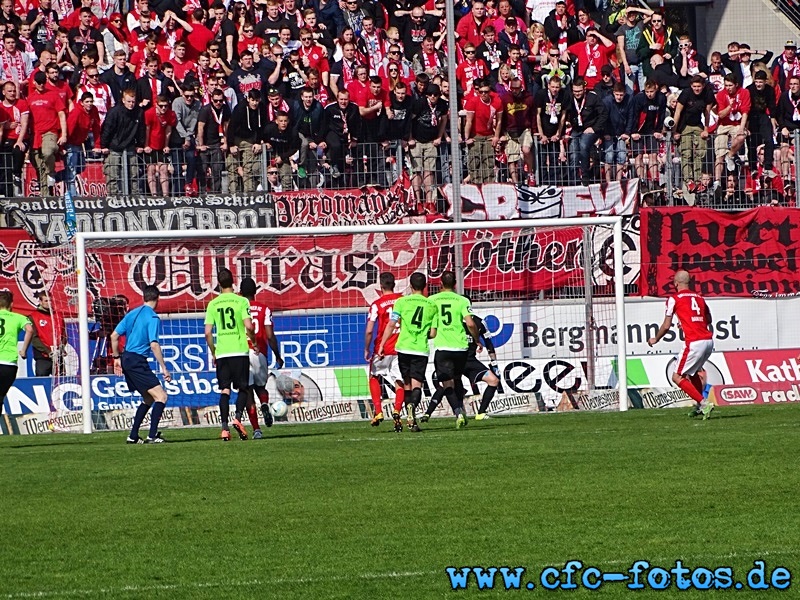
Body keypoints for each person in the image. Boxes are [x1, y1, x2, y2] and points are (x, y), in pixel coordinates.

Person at [647, 270, 714, 420]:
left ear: (675, 283)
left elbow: (666, 325)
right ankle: (699, 405)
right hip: (708, 341)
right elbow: (708, 319)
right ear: (689, 282)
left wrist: (655, 339)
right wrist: (688, 322)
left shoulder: (674, 298)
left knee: (677, 376)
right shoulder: (699, 298)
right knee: (693, 372)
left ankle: (704, 403)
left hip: (695, 342)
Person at [110, 285, 172, 444]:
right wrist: (164, 368)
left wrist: (117, 357)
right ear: (158, 298)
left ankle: (133, 436)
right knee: (162, 396)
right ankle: (152, 436)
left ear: (144, 297)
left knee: (148, 398)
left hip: (127, 359)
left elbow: (114, 336)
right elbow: (154, 345)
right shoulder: (152, 317)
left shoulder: (131, 314)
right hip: (137, 360)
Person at [376, 271, 436, 433]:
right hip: (420, 350)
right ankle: (412, 414)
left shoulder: (401, 302)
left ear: (410, 286)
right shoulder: (431, 305)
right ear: (424, 287)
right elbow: (433, 333)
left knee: (407, 384)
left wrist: (382, 344)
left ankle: (411, 417)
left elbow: (391, 324)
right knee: (417, 385)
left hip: (403, 348)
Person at [204, 268, 256, 442]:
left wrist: (213, 351)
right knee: (243, 388)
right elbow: (248, 326)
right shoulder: (241, 301)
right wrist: (254, 341)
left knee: (224, 390)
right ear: (233, 282)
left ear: (218, 284)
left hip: (222, 353)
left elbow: (207, 332)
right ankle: (238, 418)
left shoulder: (213, 304)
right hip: (239, 350)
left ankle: (225, 428)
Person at [421, 312, 500, 422]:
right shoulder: (452, 322)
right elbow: (488, 342)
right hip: (456, 358)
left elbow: (488, 341)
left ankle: (479, 413)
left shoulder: (478, 322)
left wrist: (494, 362)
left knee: (493, 380)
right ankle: (428, 414)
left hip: (467, 361)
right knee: (448, 385)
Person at [427, 270, 478, 429]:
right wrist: (476, 339)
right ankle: (461, 410)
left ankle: (458, 413)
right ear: (455, 284)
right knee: (456, 380)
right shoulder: (462, 300)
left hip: (443, 347)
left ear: (440, 284)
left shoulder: (431, 300)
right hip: (461, 347)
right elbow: (470, 323)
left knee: (447, 384)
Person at [239, 276, 283, 439]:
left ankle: (257, 430)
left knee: (247, 391)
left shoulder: (239, 309)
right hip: (260, 353)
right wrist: (278, 355)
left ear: (240, 292)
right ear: (256, 291)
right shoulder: (265, 309)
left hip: (243, 353)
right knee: (261, 387)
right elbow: (270, 335)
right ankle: (264, 403)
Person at [364, 272, 404, 427]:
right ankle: (397, 411)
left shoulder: (376, 304)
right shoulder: (402, 301)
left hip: (382, 348)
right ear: (394, 284)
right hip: (400, 347)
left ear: (380, 286)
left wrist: (367, 349)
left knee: (374, 376)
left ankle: (378, 411)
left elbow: (369, 330)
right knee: (399, 381)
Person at [0, 291, 32, 417]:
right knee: (1, 395)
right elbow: (29, 329)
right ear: (11, 304)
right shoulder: (18, 317)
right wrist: (23, 350)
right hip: (9, 363)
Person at [29, 292, 65, 377]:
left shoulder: (58, 315)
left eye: (50, 300)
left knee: (61, 379)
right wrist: (48, 352)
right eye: (46, 301)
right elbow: (34, 338)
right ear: (40, 302)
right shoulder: (33, 317)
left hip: (58, 356)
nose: (49, 303)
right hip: (43, 357)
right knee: (41, 379)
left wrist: (61, 347)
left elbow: (64, 335)